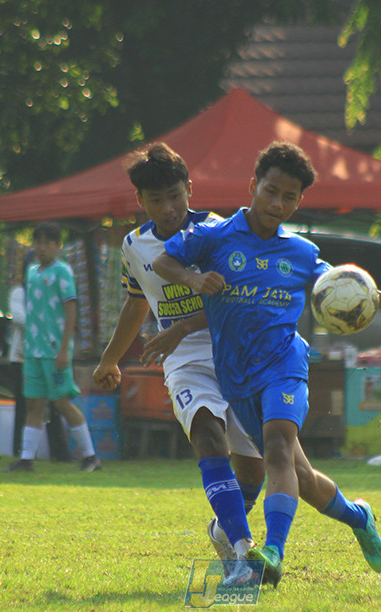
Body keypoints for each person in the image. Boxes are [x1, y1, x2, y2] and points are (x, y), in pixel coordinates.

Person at [154, 141, 381, 587]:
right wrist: (193, 278)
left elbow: (346, 287)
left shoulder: (302, 253)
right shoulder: (214, 237)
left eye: (290, 197)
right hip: (236, 375)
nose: (278, 203)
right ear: (253, 186)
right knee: (301, 477)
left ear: (300, 200)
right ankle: (360, 518)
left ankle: (273, 553)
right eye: (270, 191)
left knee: (279, 451)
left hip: (285, 363)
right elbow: (163, 259)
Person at [92, 143, 264, 576]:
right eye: (156, 200)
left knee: (254, 468)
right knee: (206, 431)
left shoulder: (220, 232)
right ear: (141, 201)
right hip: (183, 359)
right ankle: (243, 553)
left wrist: (180, 327)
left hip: (234, 352)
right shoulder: (135, 246)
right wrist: (110, 359)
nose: (167, 208)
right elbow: (136, 304)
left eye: (174, 196)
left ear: (190, 189)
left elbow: (240, 300)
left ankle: (225, 528)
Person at [4, 222, 101, 472]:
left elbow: (71, 308)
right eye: (38, 242)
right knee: (34, 404)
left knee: (61, 402)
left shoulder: (63, 271)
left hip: (54, 349)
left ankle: (90, 456)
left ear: (58, 246)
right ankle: (26, 459)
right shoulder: (32, 272)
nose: (42, 247)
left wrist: (65, 349)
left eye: (48, 242)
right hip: (33, 350)